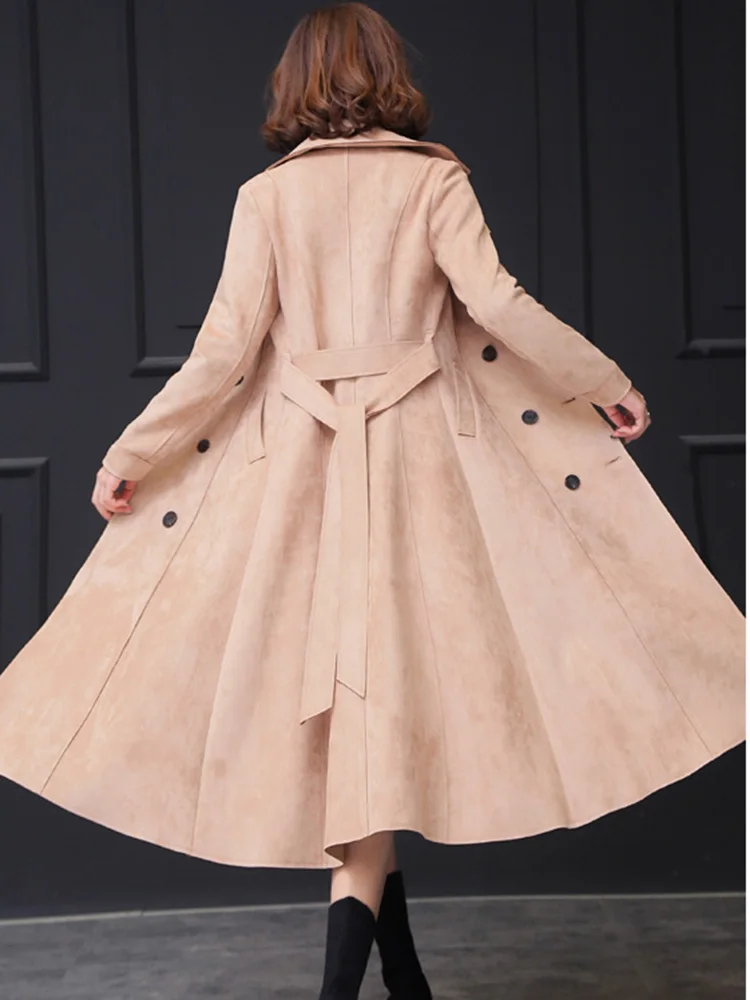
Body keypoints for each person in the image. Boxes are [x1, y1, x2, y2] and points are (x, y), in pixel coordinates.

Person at [0, 4, 743, 999]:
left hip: (299, 486)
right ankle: (397, 979)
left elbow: (222, 354)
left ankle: (380, 980)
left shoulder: (269, 198)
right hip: (426, 482)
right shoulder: (433, 180)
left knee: (362, 723)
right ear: (389, 76)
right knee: (378, 721)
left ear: (294, 84)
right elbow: (497, 301)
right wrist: (603, 381)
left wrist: (130, 453)